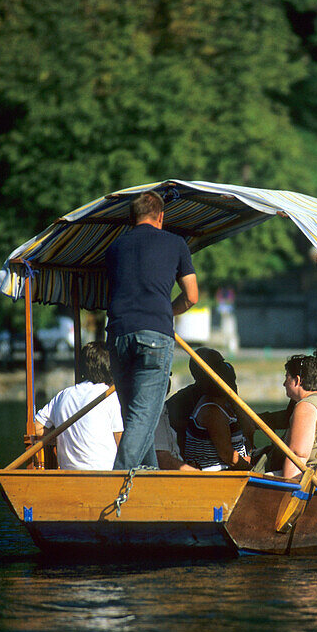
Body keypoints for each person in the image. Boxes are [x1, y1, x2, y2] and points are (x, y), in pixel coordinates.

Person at [105, 188, 199, 470]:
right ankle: (117, 479)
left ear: (132, 218)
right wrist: (167, 310)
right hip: (155, 336)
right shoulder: (176, 243)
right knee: (144, 415)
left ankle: (148, 478)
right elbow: (192, 296)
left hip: (119, 334)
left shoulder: (115, 248)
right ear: (160, 217)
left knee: (133, 415)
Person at [33, 341, 123, 470]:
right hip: (105, 477)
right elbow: (121, 442)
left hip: (69, 476)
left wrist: (63, 435)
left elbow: (36, 427)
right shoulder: (111, 396)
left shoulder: (63, 395)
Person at [253, 354, 317, 477]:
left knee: (252, 482)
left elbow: (298, 456)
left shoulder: (306, 406)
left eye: (287, 378)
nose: (284, 383)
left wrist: (289, 489)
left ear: (297, 380)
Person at [182, 360, 252, 471]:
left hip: (238, 465)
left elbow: (249, 428)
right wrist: (250, 468)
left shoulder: (227, 405)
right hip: (218, 472)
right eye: (230, 381)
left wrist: (235, 401)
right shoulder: (212, 410)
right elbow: (227, 454)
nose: (233, 385)